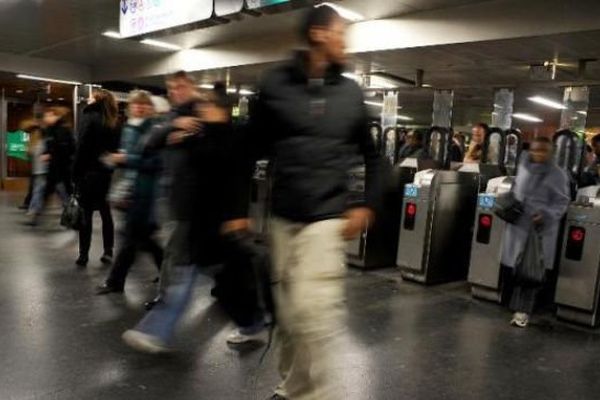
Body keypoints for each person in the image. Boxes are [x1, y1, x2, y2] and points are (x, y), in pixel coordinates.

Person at [237, 5, 382, 399]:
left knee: (314, 310)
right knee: (287, 316)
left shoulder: (351, 93)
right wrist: (236, 211)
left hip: (327, 217)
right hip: (283, 219)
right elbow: (248, 148)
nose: (345, 42)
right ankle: (293, 386)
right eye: (341, 33)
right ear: (319, 34)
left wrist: (366, 203)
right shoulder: (275, 85)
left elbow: (373, 155)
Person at [121, 74, 246, 353]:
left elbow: (229, 163)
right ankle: (252, 321)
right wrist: (173, 129)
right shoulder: (174, 116)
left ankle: (160, 325)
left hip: (200, 207)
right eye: (170, 88)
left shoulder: (206, 114)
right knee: (209, 268)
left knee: (185, 265)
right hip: (181, 203)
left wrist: (236, 211)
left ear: (192, 88)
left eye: (181, 86)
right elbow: (150, 142)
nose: (175, 92)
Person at [96, 91, 163, 295]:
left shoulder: (155, 130)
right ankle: (169, 275)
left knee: (131, 239)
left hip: (145, 192)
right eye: (136, 104)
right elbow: (127, 157)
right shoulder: (128, 128)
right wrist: (117, 161)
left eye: (144, 104)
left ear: (151, 108)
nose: (140, 107)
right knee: (143, 240)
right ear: (130, 107)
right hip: (131, 190)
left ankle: (115, 282)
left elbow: (157, 163)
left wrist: (126, 160)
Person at [501, 137, 570, 328]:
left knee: (531, 270)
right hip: (518, 226)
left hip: (539, 230)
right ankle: (513, 304)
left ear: (550, 153)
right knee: (515, 268)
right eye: (536, 150)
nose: (539, 154)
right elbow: (516, 189)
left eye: (543, 151)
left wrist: (546, 215)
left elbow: (562, 201)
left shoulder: (557, 174)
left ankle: (523, 311)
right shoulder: (523, 167)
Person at [72, 89, 120, 267]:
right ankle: (108, 250)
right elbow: (116, 150)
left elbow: (82, 147)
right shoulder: (114, 121)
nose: (88, 99)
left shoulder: (89, 117)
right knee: (106, 213)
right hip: (106, 174)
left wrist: (75, 173)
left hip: (88, 173)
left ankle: (83, 254)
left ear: (97, 100)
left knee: (86, 215)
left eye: (91, 96)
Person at [26, 107, 74, 225]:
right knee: (45, 193)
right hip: (53, 170)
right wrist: (46, 153)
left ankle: (74, 216)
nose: (46, 118)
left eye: (48, 115)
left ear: (55, 116)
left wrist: (50, 155)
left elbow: (67, 149)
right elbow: (48, 145)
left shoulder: (62, 130)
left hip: (61, 171)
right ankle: (36, 216)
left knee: (63, 195)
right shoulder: (50, 130)